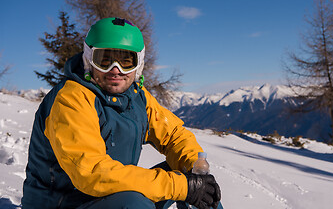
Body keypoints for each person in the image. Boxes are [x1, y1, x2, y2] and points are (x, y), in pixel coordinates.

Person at [22, 17, 222, 209]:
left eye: (126, 61)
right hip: (66, 203)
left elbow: (173, 136)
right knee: (136, 203)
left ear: (139, 64)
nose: (115, 70)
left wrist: (195, 168)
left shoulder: (137, 97)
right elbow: (91, 172)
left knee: (198, 185)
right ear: (89, 60)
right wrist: (180, 187)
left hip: (112, 196)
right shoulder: (71, 99)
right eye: (104, 60)